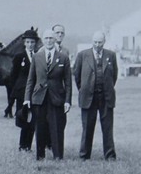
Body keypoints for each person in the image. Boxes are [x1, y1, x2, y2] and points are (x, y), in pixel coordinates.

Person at [24, 29, 72, 160]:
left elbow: (68, 82)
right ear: (43, 40)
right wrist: (27, 98)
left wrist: (67, 101)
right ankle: (40, 156)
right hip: (39, 98)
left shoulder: (63, 57)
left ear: (55, 39)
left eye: (51, 38)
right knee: (40, 127)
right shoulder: (36, 57)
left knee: (57, 127)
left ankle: (58, 155)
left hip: (56, 98)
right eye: (46, 38)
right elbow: (31, 79)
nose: (49, 41)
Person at [73, 31, 118, 160]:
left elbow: (114, 75)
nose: (97, 45)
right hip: (88, 97)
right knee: (87, 127)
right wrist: (84, 89)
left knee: (108, 128)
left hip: (106, 97)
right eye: (95, 42)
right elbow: (77, 76)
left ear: (104, 42)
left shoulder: (111, 55)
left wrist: (106, 88)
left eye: (100, 42)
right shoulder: (82, 55)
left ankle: (109, 155)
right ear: (92, 41)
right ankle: (84, 155)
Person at [10, 28, 39, 151]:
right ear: (24, 43)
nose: (30, 44)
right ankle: (22, 145)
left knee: (33, 120)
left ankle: (28, 145)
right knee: (24, 117)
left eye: (32, 42)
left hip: (35, 92)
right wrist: (14, 93)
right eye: (28, 42)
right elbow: (13, 76)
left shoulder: (38, 56)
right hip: (22, 92)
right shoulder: (19, 57)